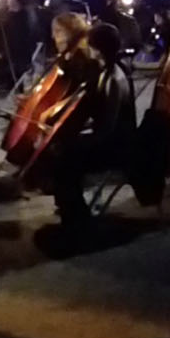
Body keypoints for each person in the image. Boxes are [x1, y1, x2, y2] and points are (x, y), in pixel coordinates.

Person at [38, 15, 135, 233]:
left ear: (97, 49)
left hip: (116, 148)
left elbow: (108, 130)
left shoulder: (114, 79)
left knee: (64, 157)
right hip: (111, 140)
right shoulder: (107, 71)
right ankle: (69, 208)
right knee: (62, 148)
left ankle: (76, 219)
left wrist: (78, 139)